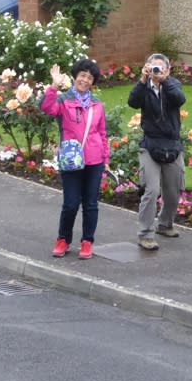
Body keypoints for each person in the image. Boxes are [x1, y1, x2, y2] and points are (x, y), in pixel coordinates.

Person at [40, 59, 110, 260]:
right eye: (82, 75)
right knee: (70, 204)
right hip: (72, 160)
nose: (85, 80)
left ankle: (87, 241)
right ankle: (63, 239)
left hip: (94, 160)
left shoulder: (97, 105)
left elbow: (102, 132)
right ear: (75, 76)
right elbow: (46, 108)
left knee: (90, 204)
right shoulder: (63, 100)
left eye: (89, 77)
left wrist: (105, 158)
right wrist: (53, 86)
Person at [128, 53, 186, 251]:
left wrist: (165, 81)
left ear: (168, 70)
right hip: (150, 144)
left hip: (172, 145)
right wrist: (142, 81)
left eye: (160, 68)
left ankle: (165, 224)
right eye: (153, 68)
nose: (156, 71)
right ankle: (145, 234)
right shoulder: (144, 87)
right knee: (151, 191)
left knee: (173, 191)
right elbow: (132, 102)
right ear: (147, 68)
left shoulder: (173, 85)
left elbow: (179, 99)